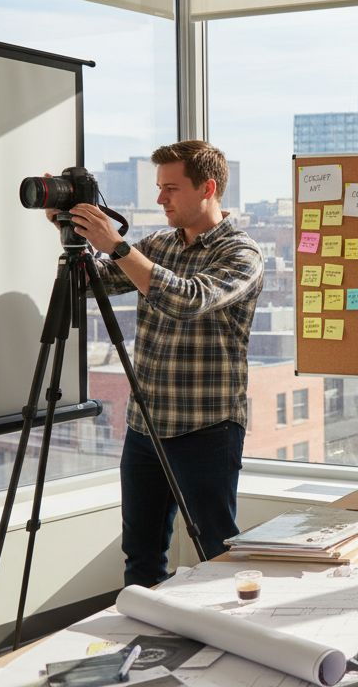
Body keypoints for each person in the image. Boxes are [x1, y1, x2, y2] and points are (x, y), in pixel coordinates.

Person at [56, 140, 264, 587]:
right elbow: (92, 284)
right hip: (146, 426)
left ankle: (224, 628)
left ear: (207, 188)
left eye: (171, 188)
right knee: (141, 556)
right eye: (158, 188)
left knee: (217, 551)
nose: (160, 199)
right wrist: (70, 229)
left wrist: (118, 246)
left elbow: (189, 300)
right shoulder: (158, 244)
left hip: (206, 428)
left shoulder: (241, 253)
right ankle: (145, 630)